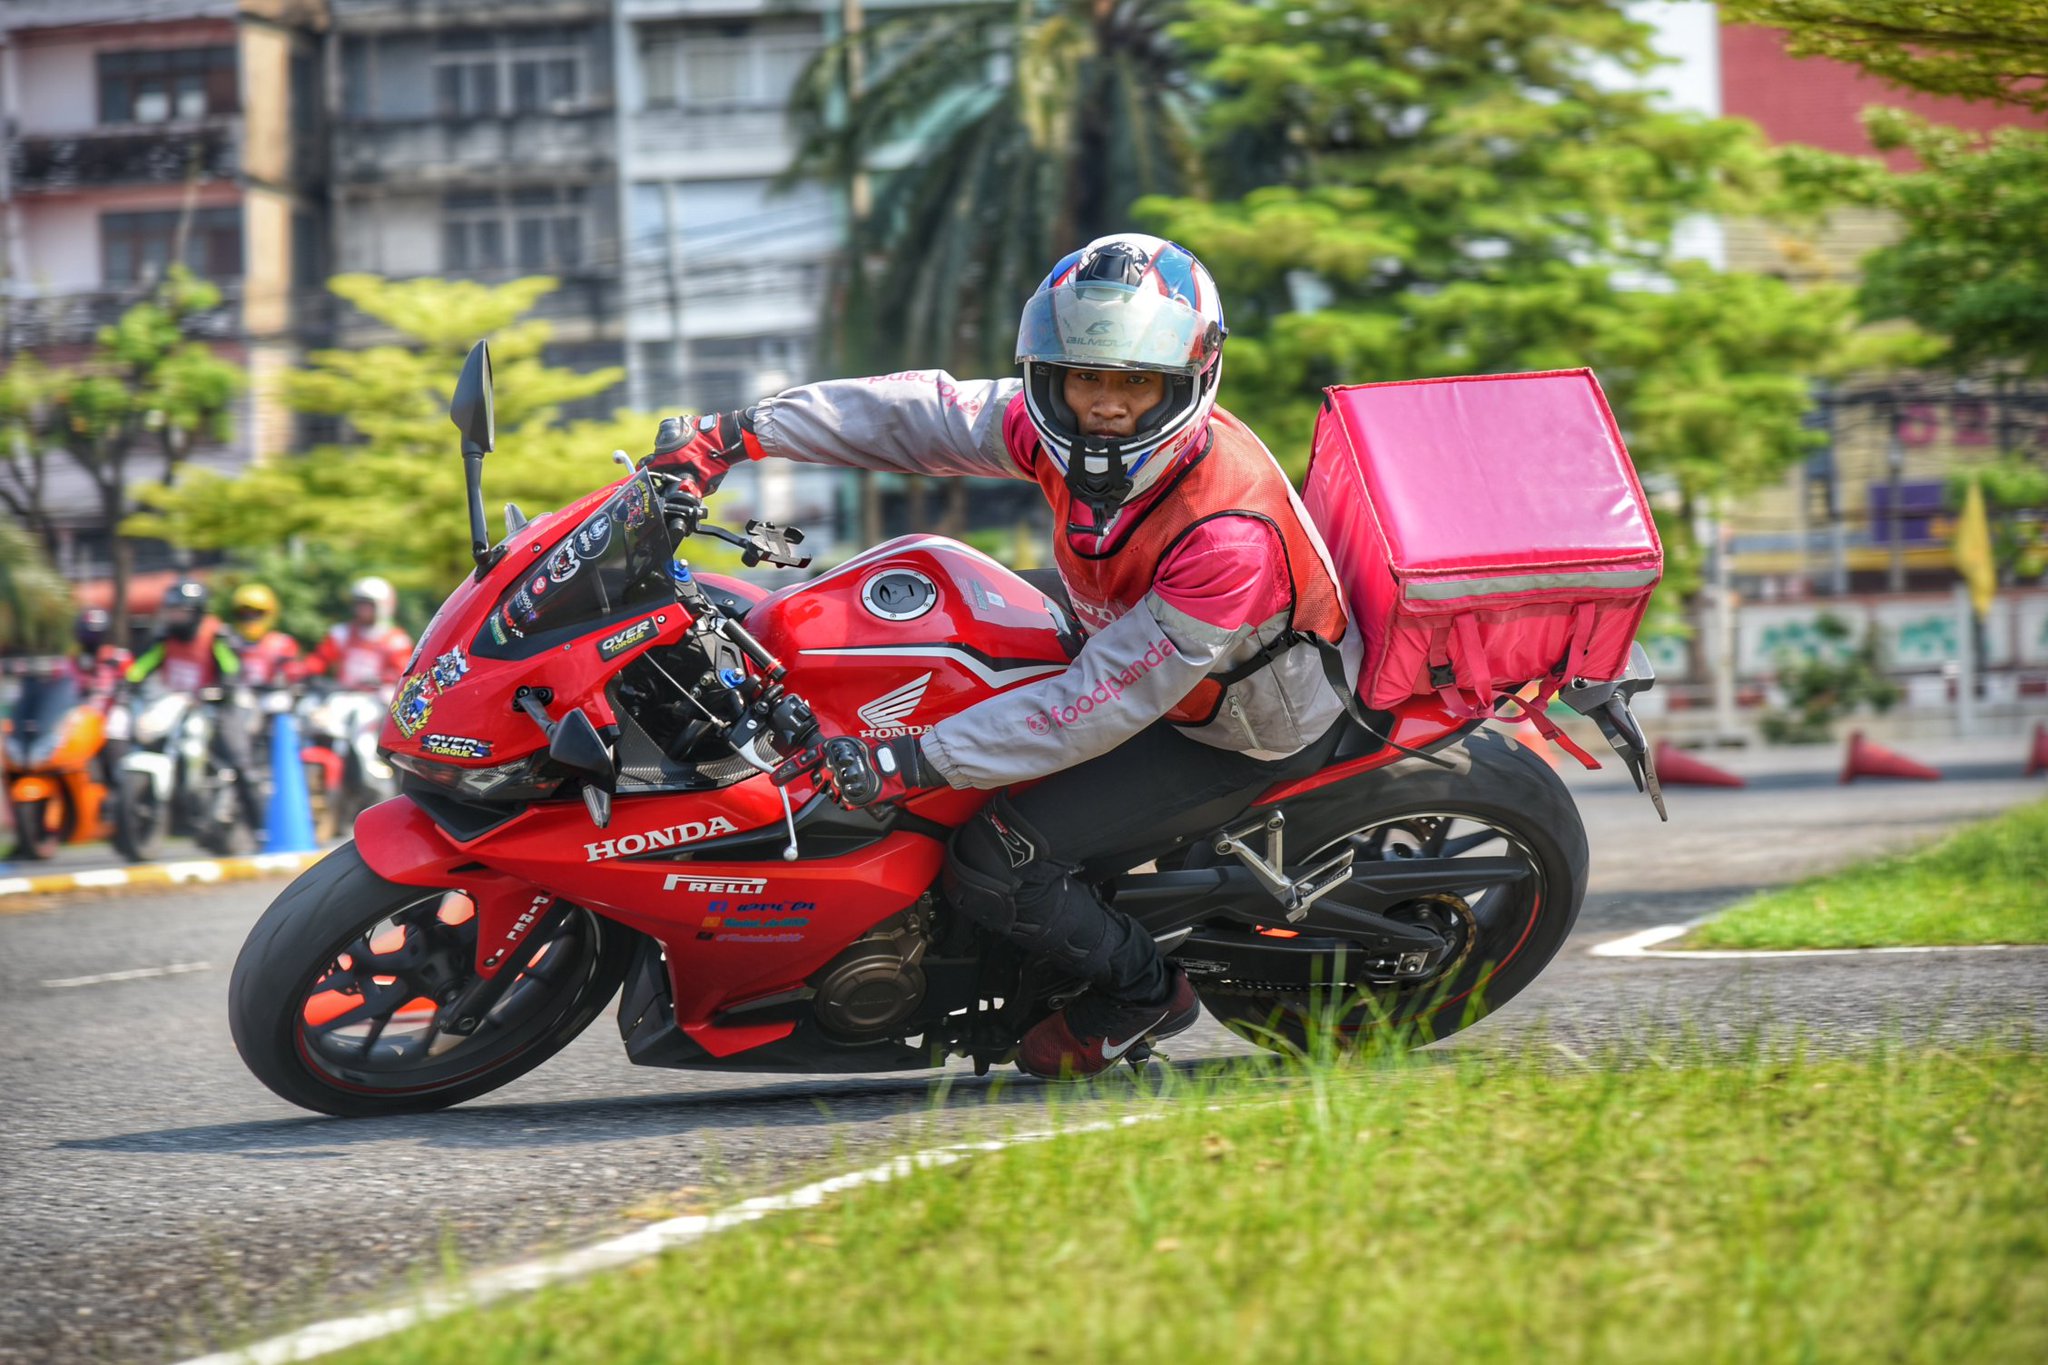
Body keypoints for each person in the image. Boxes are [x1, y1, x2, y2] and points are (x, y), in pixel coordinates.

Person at [648, 233, 1358, 1078]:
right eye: (1087, 378)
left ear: (1185, 381)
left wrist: (907, 757)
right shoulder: (1049, 429)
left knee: (996, 859)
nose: (1103, 407)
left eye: (1132, 383)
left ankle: (1141, 993)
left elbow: (1101, 702)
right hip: (1131, 640)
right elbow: (921, 414)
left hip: (1230, 722)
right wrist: (737, 433)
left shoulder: (1227, 537)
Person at [124, 576, 265, 833]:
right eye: (172, 611)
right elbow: (142, 665)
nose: (176, 617)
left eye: (182, 612)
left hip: (214, 703)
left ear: (197, 612)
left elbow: (231, 667)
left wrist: (225, 689)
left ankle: (260, 826)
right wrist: (127, 681)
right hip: (175, 703)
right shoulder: (165, 637)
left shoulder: (215, 634)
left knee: (238, 758)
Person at [300, 577, 412, 694]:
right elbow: (319, 659)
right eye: (360, 604)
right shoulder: (341, 633)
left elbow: (403, 673)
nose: (362, 609)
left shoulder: (396, 640)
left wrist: (382, 679)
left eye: (368, 605)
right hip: (342, 693)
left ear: (382, 606)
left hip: (377, 697)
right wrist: (303, 672)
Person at [227, 583, 302, 690]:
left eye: (255, 614)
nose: (249, 619)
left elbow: (295, 675)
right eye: (244, 614)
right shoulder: (230, 643)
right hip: (239, 699)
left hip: (273, 699)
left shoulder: (282, 643)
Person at [66, 607, 132, 710]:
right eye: (88, 637)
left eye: (98, 637)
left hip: (111, 713)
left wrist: (122, 689)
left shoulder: (121, 658)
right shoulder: (74, 661)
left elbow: (132, 688)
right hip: (82, 714)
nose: (93, 642)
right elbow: (66, 692)